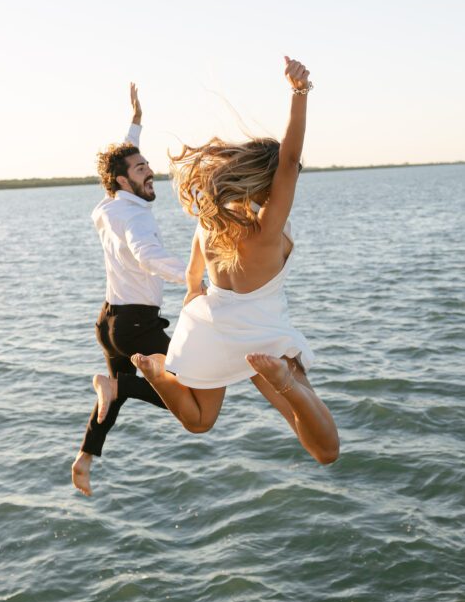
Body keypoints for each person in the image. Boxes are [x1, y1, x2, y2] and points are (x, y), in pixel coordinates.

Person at [132, 57, 340, 465]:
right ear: (271, 179)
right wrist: (299, 93)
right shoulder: (265, 230)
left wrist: (193, 298)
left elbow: (193, 279)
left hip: (209, 323)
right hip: (262, 335)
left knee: (199, 421)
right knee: (325, 450)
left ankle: (158, 374)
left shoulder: (211, 223)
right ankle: (286, 383)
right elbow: (291, 160)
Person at [71, 83, 188, 495]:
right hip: (135, 323)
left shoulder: (109, 204)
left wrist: (135, 124)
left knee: (114, 395)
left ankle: (85, 457)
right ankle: (116, 385)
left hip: (109, 322)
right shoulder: (135, 218)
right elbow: (148, 257)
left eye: (146, 165)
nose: (149, 171)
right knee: (186, 389)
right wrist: (197, 280)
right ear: (123, 181)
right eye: (141, 170)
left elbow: (122, 160)